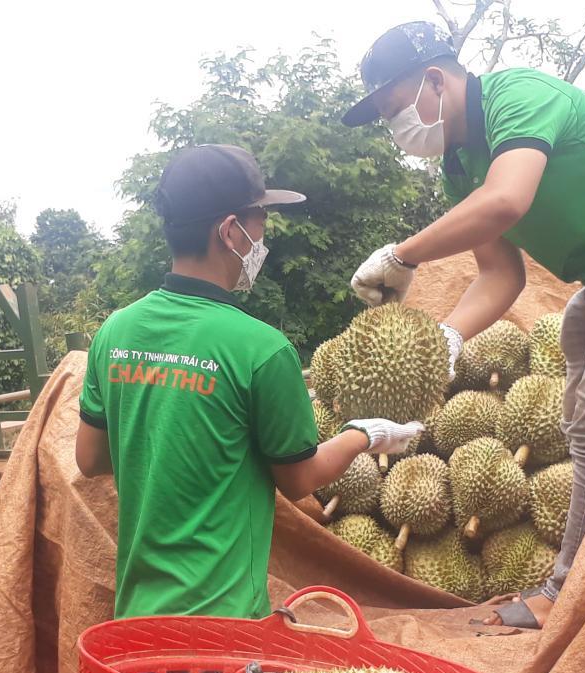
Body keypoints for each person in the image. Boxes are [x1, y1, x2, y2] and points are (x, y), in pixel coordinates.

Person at [341, 21, 585, 629]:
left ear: (435, 81)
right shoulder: (460, 164)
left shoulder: (517, 95)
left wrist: (404, 253)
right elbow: (502, 277)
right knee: (581, 398)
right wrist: (446, 337)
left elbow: (506, 201)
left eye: (395, 110)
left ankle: (571, 594)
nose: (398, 132)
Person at [74, 144, 423, 619]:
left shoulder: (114, 332)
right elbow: (299, 479)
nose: (265, 236)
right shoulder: (261, 349)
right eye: (260, 221)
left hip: (138, 619)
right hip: (226, 623)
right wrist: (367, 435)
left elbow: (90, 459)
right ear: (230, 231)